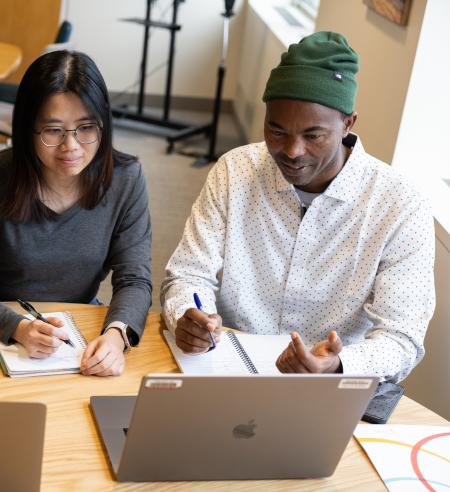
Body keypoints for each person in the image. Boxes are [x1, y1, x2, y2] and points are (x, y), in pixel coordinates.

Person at [161, 32, 435, 382]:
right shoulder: (235, 171)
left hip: (330, 388)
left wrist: (338, 364)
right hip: (225, 370)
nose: (292, 151)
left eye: (313, 136)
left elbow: (401, 336)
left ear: (348, 124)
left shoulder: (399, 204)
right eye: (276, 131)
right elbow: (188, 274)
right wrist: (188, 315)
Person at [0, 50, 152, 377]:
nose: (72, 147)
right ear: (27, 129)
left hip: (79, 333)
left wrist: (116, 335)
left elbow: (135, 278)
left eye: (86, 128)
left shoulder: (126, 178)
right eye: (53, 131)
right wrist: (18, 327)